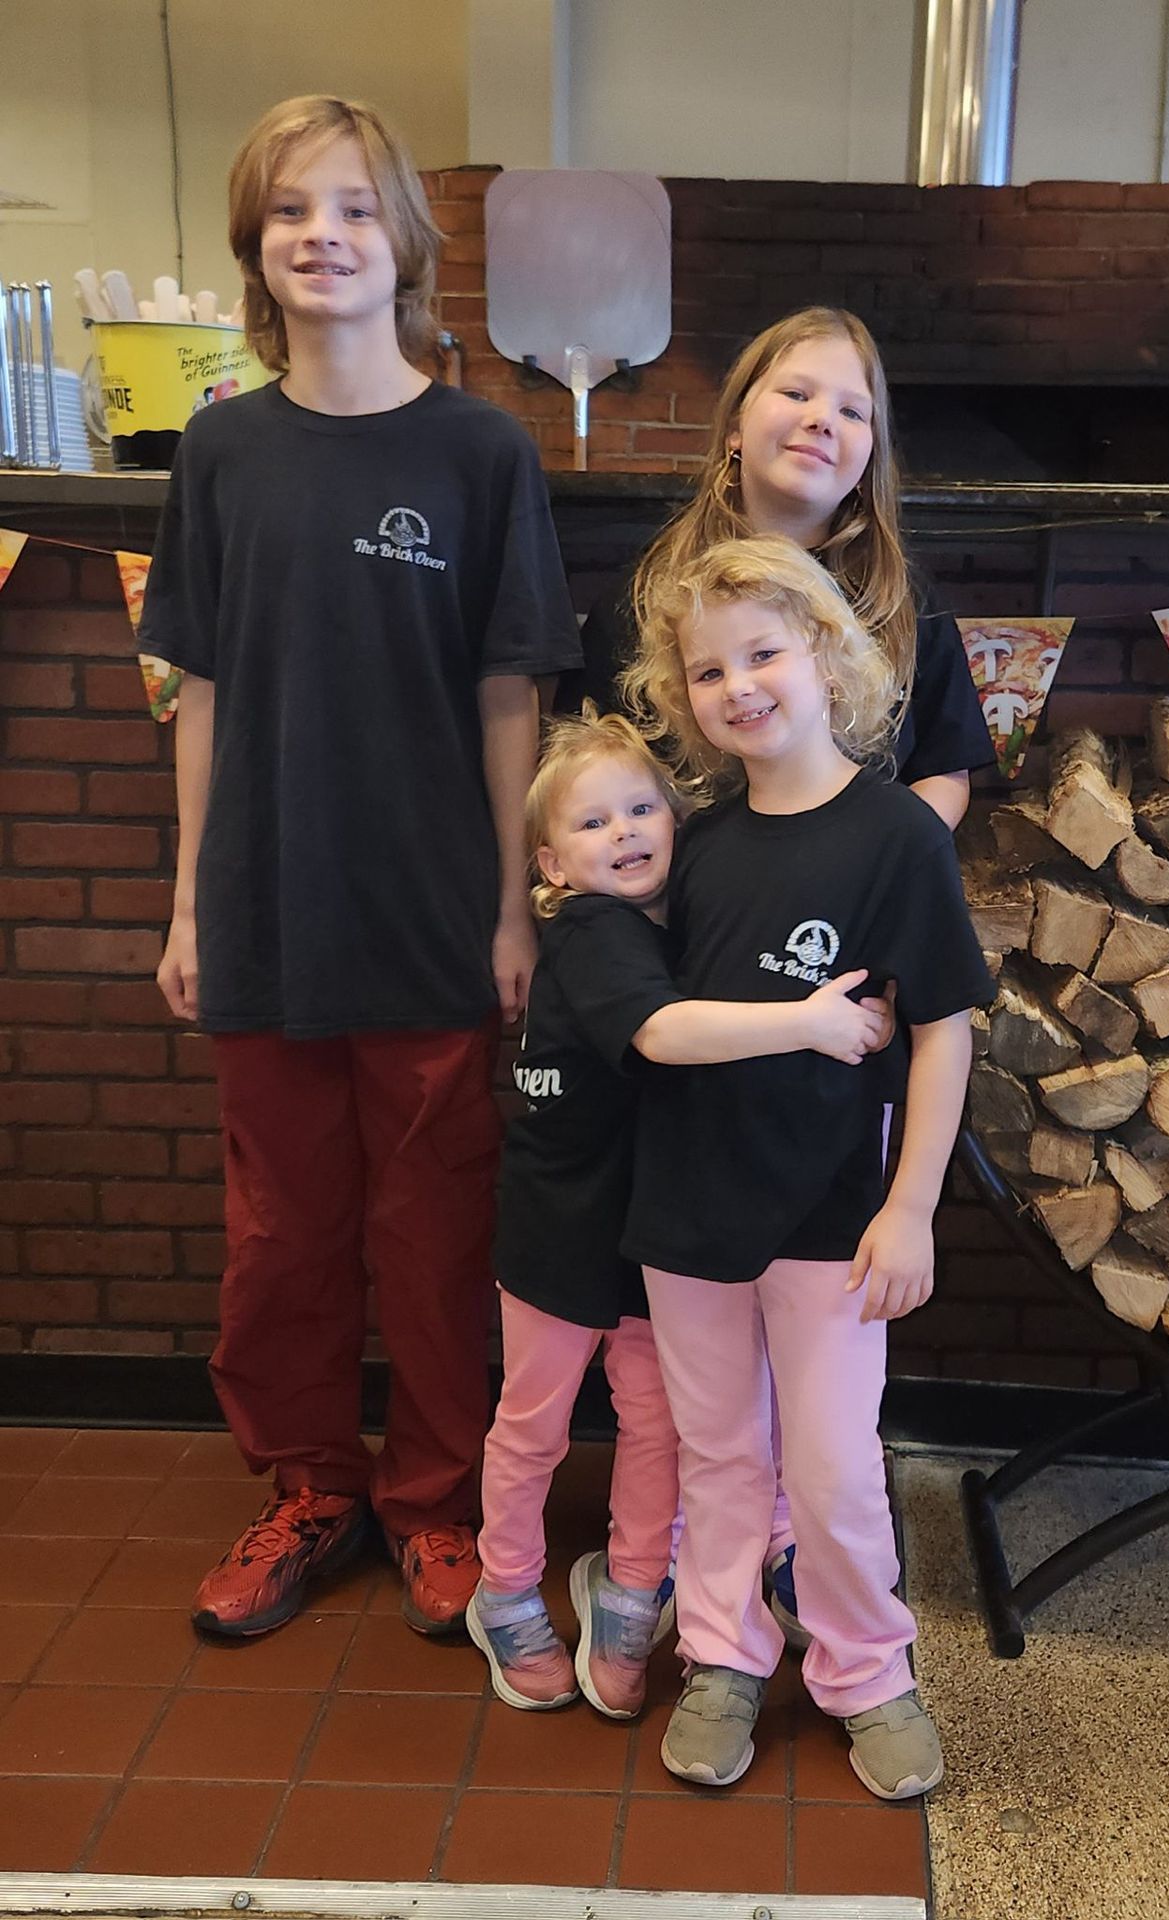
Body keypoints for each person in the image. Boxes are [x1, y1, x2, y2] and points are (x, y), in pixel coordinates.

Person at [140, 96, 581, 1639]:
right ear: (257, 250)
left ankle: (435, 1504)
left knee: (437, 1234)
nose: (318, 235)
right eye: (286, 212)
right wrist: (190, 902)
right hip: (262, 914)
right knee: (280, 1237)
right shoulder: (220, 449)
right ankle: (308, 1489)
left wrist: (517, 910)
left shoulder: (477, 454)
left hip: (429, 918)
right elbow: (198, 692)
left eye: (348, 207)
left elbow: (511, 695)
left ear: (403, 238)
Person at [626, 535, 991, 1800]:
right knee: (719, 1456)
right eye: (709, 667)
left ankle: (869, 1670)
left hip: (834, 1217)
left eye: (765, 652)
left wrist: (913, 1209)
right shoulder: (693, 844)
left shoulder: (898, 838)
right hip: (687, 1212)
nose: (740, 685)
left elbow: (942, 1027)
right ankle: (725, 1655)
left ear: (830, 657)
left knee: (832, 1469)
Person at [467, 705, 890, 1716]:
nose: (625, 833)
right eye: (594, 822)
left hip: (649, 1234)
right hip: (557, 1234)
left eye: (641, 808)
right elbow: (663, 1036)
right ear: (551, 864)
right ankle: (505, 1586)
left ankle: (628, 1589)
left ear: (677, 818)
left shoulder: (675, 923)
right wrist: (813, 1023)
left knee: (656, 1429)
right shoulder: (597, 933)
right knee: (533, 1424)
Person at [569, 305, 992, 832]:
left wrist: (888, 865)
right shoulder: (646, 597)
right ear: (734, 429)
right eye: (796, 394)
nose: (821, 420)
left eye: (853, 412)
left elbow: (943, 770)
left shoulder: (904, 603)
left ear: (869, 460)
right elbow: (589, 772)